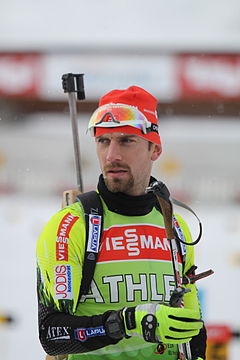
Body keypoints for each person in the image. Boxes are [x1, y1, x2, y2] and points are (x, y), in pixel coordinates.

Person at [36, 86, 206, 360]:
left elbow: (191, 321)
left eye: (126, 140)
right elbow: (52, 334)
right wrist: (126, 322)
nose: (111, 155)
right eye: (104, 141)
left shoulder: (173, 226)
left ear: (154, 149)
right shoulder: (71, 226)